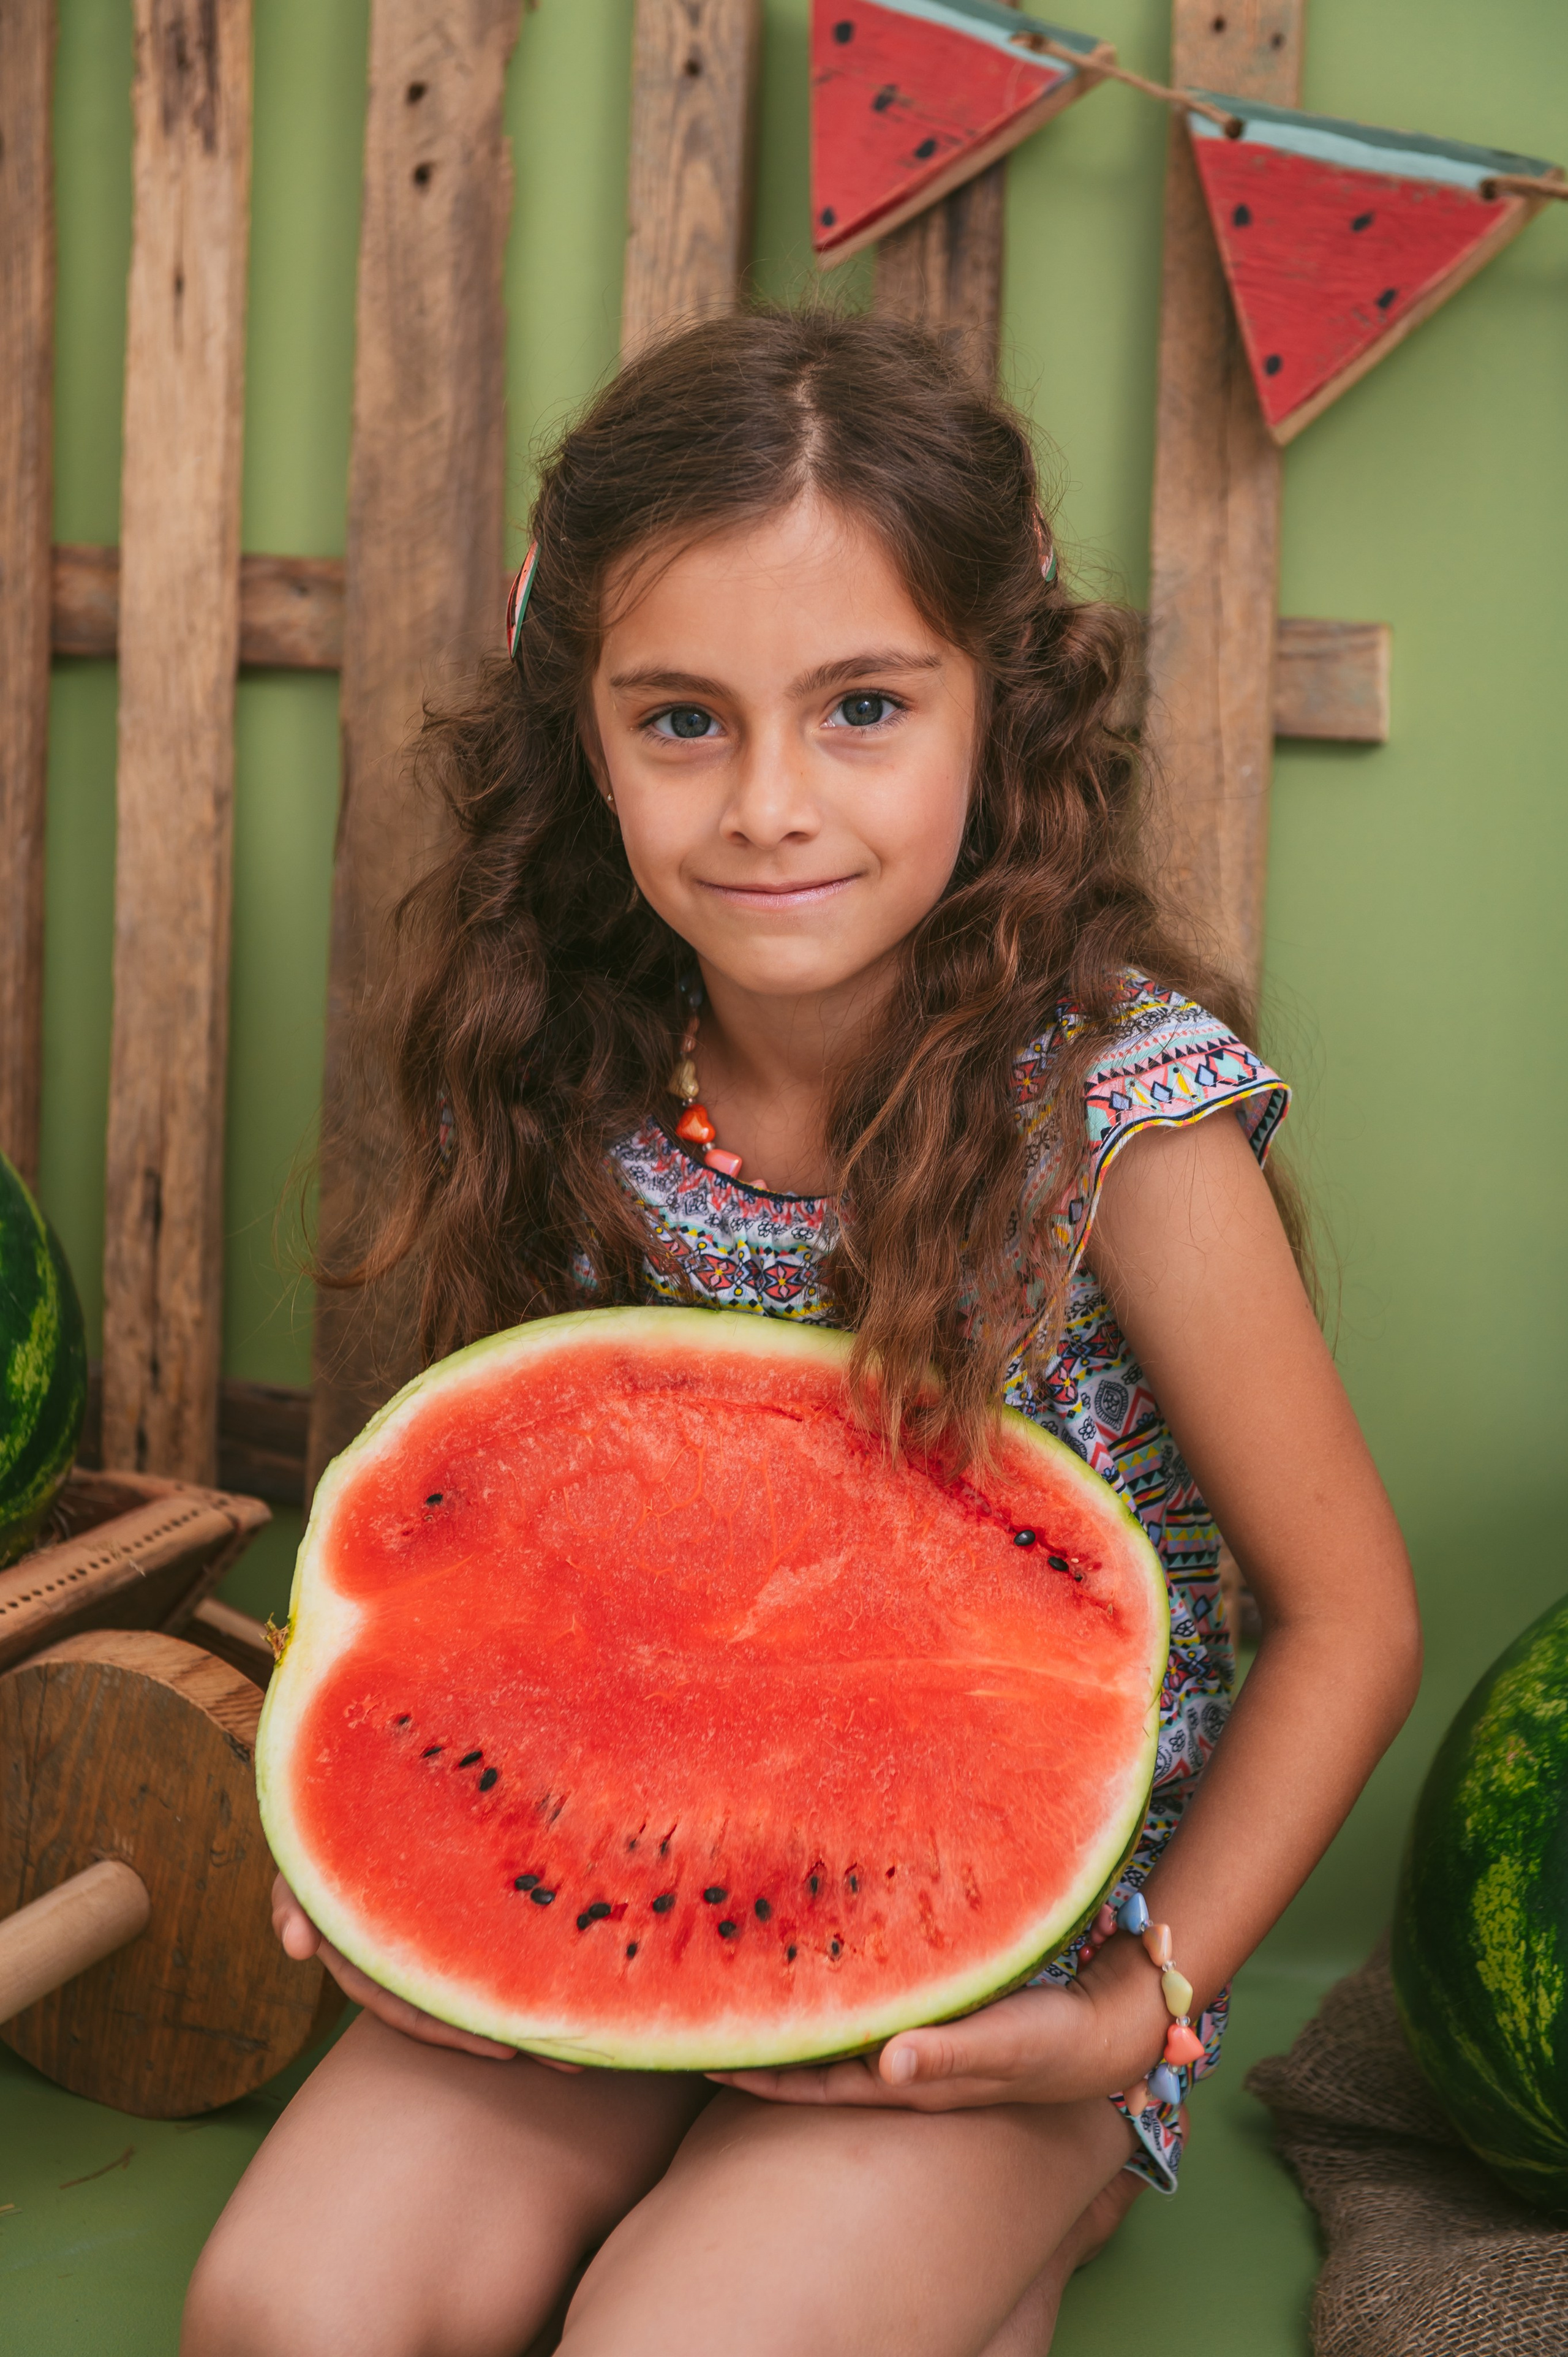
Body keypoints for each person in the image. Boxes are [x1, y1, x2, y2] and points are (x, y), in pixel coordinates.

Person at [183, 309, 1420, 2357]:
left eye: (861, 707)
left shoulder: (1122, 1115)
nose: (771, 803)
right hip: (620, 1852)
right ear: (580, 734)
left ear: (996, 716)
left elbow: (1348, 1617)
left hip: (1017, 1957)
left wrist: (1134, 2009)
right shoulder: (570, 1066)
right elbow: (498, 1561)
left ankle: (998, 2211)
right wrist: (394, 1867)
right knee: (281, 2309)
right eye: (683, 721)